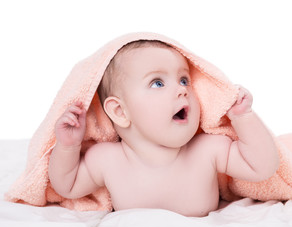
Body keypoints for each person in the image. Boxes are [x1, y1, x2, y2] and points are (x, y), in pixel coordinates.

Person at [48, 40, 279, 217]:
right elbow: (67, 186)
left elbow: (262, 167)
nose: (182, 90)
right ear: (120, 111)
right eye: (157, 82)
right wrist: (68, 146)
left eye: (184, 80)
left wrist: (243, 118)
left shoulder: (208, 150)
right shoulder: (108, 159)